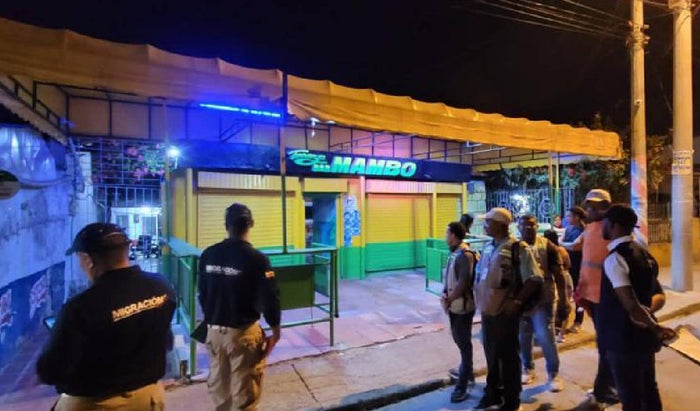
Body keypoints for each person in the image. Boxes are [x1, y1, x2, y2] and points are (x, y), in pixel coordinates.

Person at [37, 223, 176, 411]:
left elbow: (50, 371)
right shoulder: (161, 286)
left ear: (88, 260)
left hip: (97, 403)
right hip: (149, 397)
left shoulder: (80, 307)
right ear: (127, 250)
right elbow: (166, 340)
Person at [198, 203, 281, 411]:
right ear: (250, 224)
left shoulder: (208, 255)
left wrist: (212, 318)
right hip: (242, 335)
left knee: (221, 397)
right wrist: (275, 330)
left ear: (226, 225)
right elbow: (270, 298)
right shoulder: (258, 259)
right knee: (244, 399)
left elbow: (202, 294)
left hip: (214, 333)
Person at [598, 204, 677, 411]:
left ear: (613, 225)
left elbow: (631, 306)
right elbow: (659, 295)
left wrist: (655, 327)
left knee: (630, 396)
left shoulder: (616, 259)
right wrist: (648, 315)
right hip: (643, 339)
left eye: (604, 222)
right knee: (649, 391)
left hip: (623, 340)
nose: (601, 226)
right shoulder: (645, 255)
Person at [473, 207, 544, 411]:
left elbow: (534, 278)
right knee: (492, 356)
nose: (485, 225)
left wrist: (517, 302)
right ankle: (493, 394)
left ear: (500, 225)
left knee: (509, 358)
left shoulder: (517, 248)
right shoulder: (489, 247)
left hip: (505, 313)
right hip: (487, 312)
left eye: (488, 222)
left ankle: (512, 401)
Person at [562, 189, 617, 408]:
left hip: (607, 296)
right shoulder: (591, 228)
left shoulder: (611, 228)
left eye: (595, 206)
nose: (589, 210)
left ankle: (604, 392)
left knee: (606, 345)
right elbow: (575, 246)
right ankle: (609, 387)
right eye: (589, 206)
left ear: (606, 207)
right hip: (590, 294)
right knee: (604, 343)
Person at [517, 215, 566, 393]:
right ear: (518, 227)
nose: (527, 228)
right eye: (523, 225)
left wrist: (564, 300)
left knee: (546, 336)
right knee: (523, 336)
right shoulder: (515, 246)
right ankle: (528, 368)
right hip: (522, 299)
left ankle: (553, 374)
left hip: (543, 299)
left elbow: (559, 275)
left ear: (537, 226)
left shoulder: (547, 246)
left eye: (531, 225)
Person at [441, 222, 477, 403]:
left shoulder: (465, 255)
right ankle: (467, 371)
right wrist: (444, 295)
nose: (445, 236)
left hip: (463, 307)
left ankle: (463, 383)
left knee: (464, 343)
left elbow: (463, 283)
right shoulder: (454, 253)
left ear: (454, 235)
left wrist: (449, 299)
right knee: (458, 339)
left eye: (447, 233)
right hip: (454, 305)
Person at [543, 229, 574, 344]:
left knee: (554, 307)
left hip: (556, 279)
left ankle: (551, 333)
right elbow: (569, 264)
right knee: (565, 305)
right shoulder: (563, 250)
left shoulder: (549, 250)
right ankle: (561, 334)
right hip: (567, 277)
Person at [563, 206, 586, 333]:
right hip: (567, 266)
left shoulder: (585, 230)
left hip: (579, 266)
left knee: (579, 296)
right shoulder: (568, 229)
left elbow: (574, 246)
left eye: (569, 216)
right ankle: (562, 321)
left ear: (577, 217)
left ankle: (578, 321)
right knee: (565, 293)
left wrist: (563, 244)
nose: (567, 218)